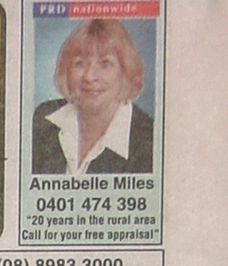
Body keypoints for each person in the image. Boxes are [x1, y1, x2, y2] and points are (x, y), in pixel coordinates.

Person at [32, 18, 154, 176]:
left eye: (105, 64)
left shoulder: (148, 141)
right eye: (80, 63)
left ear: (125, 72)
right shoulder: (44, 118)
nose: (89, 76)